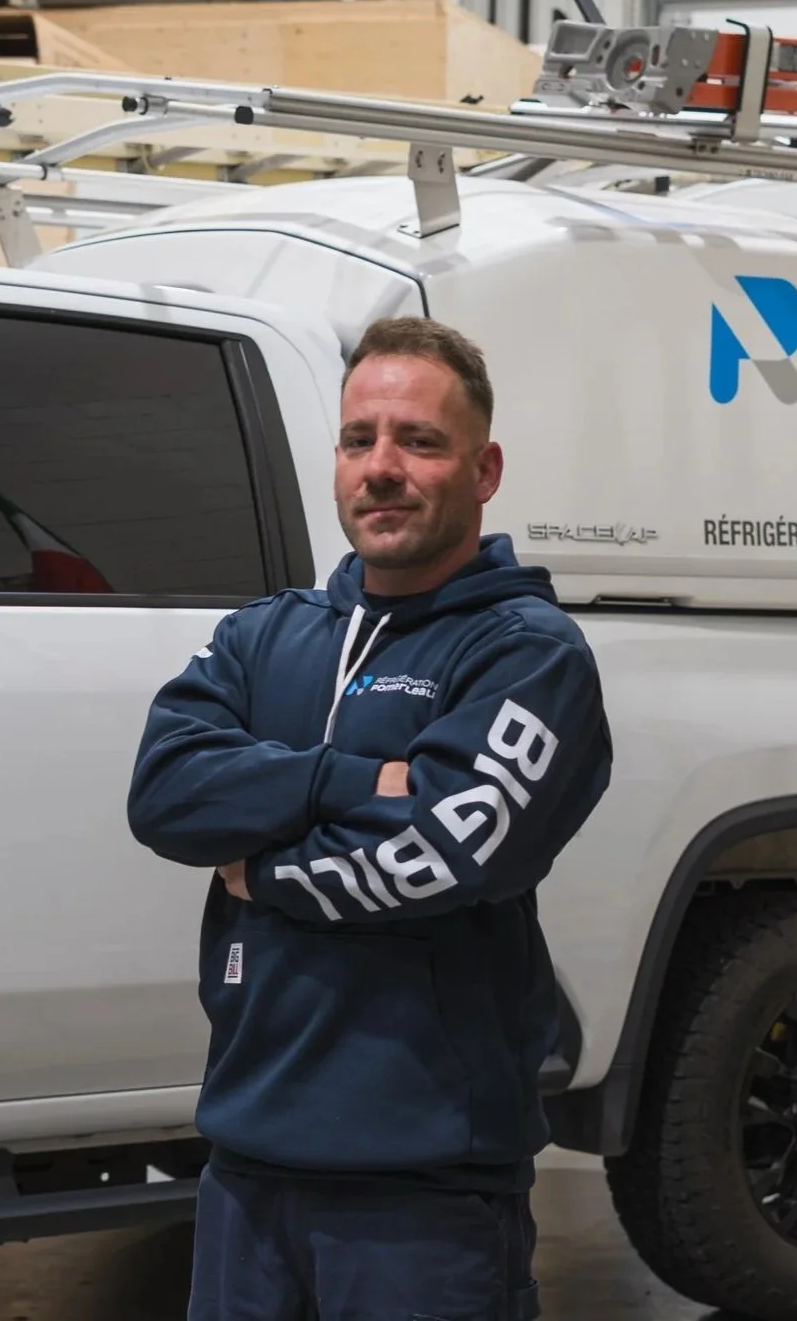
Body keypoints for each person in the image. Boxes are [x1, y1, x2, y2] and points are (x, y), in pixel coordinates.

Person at [128, 316, 613, 1321]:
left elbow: (438, 857)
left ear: (484, 470)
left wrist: (258, 873)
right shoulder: (268, 636)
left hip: (423, 1190)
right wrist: (347, 782)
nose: (382, 468)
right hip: (247, 1169)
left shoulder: (526, 654)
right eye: (360, 440)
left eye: (419, 442)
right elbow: (166, 794)